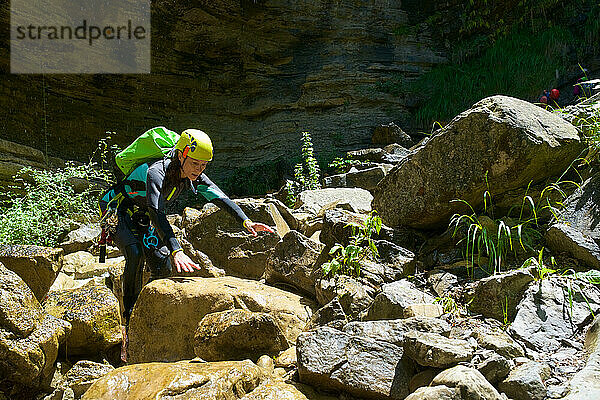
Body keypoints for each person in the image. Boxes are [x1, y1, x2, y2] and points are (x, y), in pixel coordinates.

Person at [99, 129, 275, 360]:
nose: (198, 170)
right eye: (194, 163)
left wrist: (246, 221)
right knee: (134, 254)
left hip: (141, 216)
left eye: (203, 165)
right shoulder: (156, 171)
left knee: (162, 266)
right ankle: (128, 321)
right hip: (116, 209)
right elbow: (157, 212)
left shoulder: (192, 174)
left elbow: (218, 196)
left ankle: (147, 310)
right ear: (181, 155)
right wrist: (176, 249)